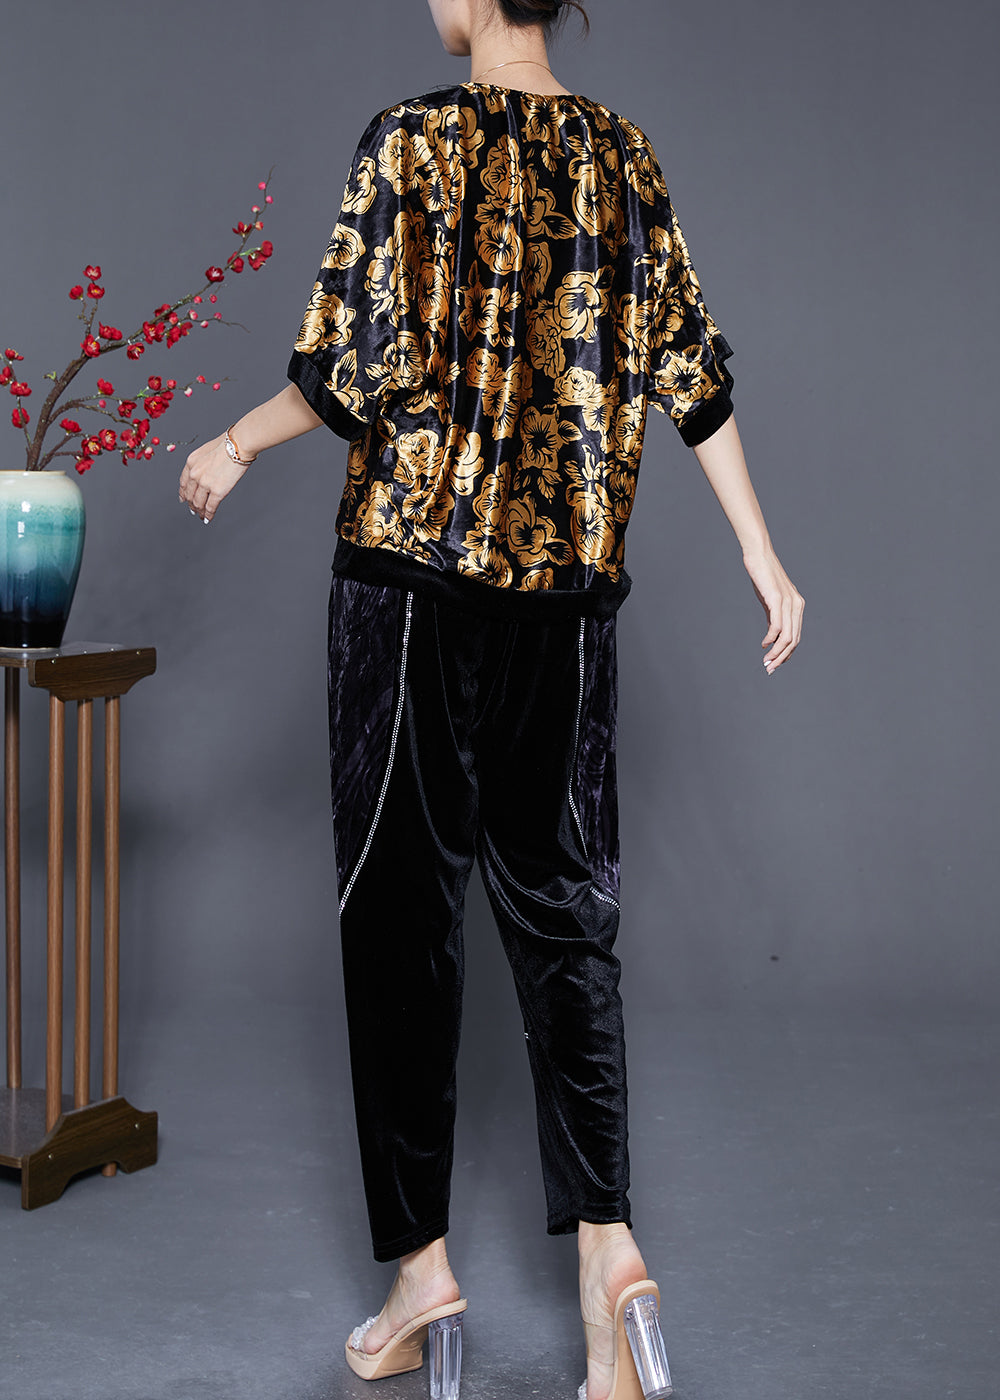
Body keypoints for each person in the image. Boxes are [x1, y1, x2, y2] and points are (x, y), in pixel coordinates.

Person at [179, 0, 804, 1396]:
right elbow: (692, 375)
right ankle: (612, 1266)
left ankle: (424, 1279)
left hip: (411, 589)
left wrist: (232, 443)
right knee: (567, 921)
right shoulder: (623, 155)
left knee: (403, 926)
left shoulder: (412, 141)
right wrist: (762, 553)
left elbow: (350, 374)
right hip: (567, 609)